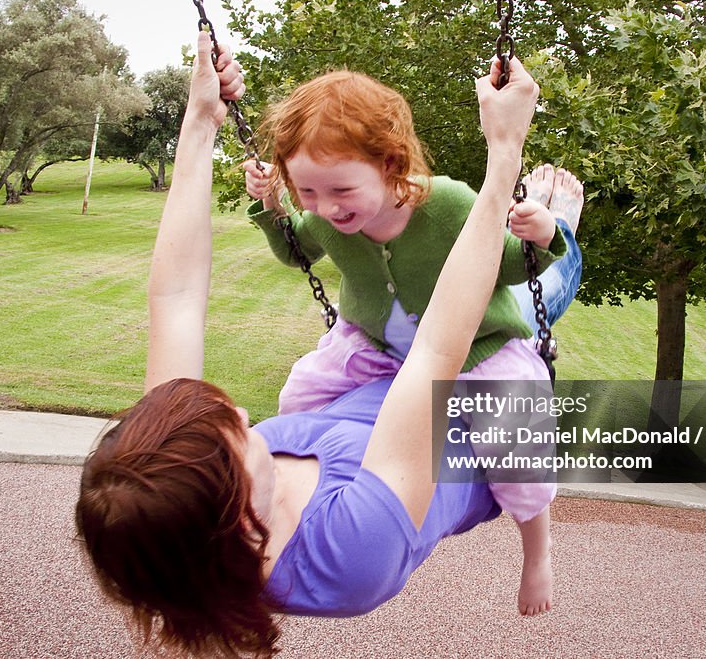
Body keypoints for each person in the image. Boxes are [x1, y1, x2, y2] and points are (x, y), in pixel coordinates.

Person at [76, 30, 561, 658]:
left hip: (387, 365)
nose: (244, 415)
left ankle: (553, 228)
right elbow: (439, 347)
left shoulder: (163, 478)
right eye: (237, 434)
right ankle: (561, 229)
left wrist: (199, 122)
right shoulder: (349, 553)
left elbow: (173, 301)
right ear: (241, 519)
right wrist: (504, 157)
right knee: (531, 333)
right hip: (449, 404)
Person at [242, 69, 584, 613]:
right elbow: (295, 252)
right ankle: (323, 496)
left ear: (391, 165)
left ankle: (537, 553)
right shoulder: (325, 215)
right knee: (298, 397)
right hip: (373, 342)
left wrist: (542, 237)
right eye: (305, 190)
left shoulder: (447, 204)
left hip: (479, 345)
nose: (325, 207)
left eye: (340, 190)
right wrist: (273, 209)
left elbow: (515, 268)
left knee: (518, 446)